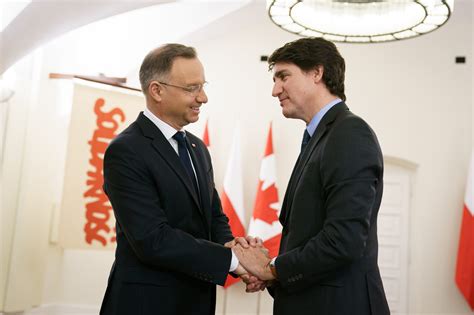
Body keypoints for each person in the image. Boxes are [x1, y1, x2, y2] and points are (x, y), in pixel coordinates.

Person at [233, 37, 391, 315]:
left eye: (283, 76)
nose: (274, 90)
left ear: (317, 73)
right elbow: (306, 235)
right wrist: (273, 271)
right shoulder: (319, 137)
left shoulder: (349, 134)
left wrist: (272, 269)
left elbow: (343, 240)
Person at [99, 43, 259, 315]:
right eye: (191, 88)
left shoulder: (197, 148)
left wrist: (234, 246)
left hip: (196, 299)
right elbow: (152, 239)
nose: (204, 97)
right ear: (157, 90)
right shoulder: (126, 150)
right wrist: (234, 261)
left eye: (203, 86)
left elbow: (213, 216)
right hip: (146, 304)